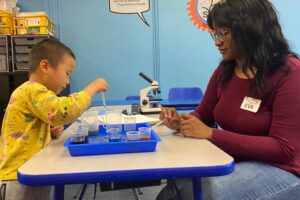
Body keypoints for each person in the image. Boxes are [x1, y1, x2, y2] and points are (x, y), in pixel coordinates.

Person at [157, 0, 300, 199]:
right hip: (239, 158)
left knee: (195, 194)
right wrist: (181, 122)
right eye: (215, 33)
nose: (217, 41)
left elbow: (284, 149)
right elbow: (202, 115)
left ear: (249, 29)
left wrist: (212, 134)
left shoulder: (289, 73)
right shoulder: (226, 70)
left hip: (283, 168)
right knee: (172, 190)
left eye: (223, 33)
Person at [0, 38, 109, 200]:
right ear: (45, 66)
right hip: (20, 178)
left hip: (32, 170)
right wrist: (92, 88)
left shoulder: (33, 93)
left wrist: (48, 132)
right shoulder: (32, 90)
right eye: (67, 73)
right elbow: (63, 111)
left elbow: (27, 130)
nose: (67, 81)